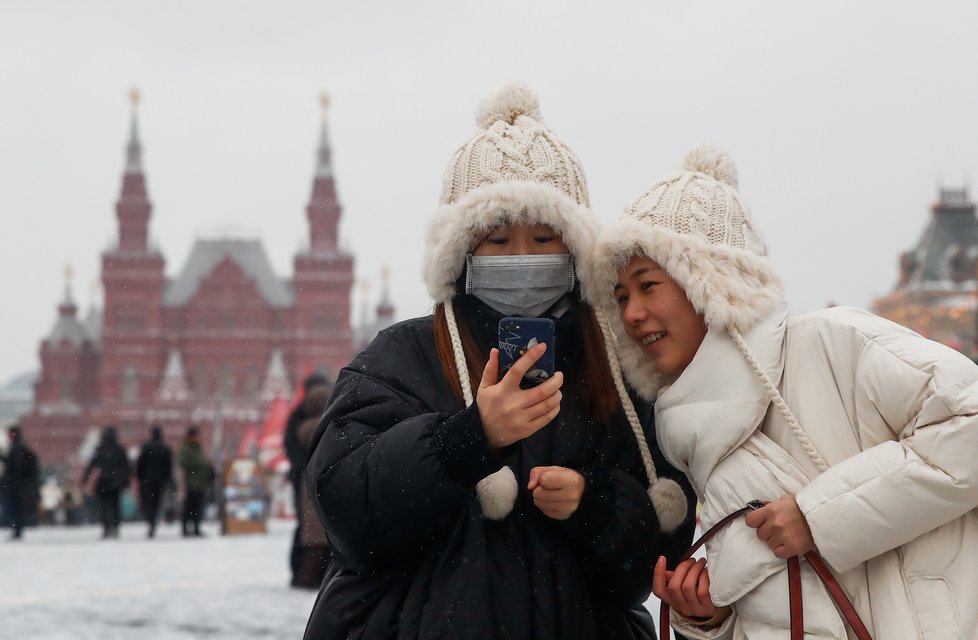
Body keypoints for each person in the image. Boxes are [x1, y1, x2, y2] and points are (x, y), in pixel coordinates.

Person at [302, 85, 696, 640]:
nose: (523, 258)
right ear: (462, 253)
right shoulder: (403, 356)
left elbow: (656, 559)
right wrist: (463, 440)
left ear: (576, 252)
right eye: (498, 240)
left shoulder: (615, 373)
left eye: (543, 238)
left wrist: (595, 503)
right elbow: (345, 512)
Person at [591, 145, 978, 638]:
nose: (631, 313)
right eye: (621, 296)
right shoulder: (685, 430)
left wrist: (819, 517)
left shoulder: (830, 343)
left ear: (712, 282)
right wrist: (710, 617)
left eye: (647, 285)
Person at [284, 372, 332, 585]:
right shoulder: (333, 413)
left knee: (304, 527)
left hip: (303, 478)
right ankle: (326, 573)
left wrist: (302, 465)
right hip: (329, 476)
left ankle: (300, 571)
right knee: (329, 525)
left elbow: (290, 446)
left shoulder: (298, 416)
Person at [82, 426, 131, 539]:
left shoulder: (101, 449)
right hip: (116, 483)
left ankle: (107, 527)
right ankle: (114, 526)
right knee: (115, 505)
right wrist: (125, 481)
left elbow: (92, 464)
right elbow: (126, 467)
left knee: (104, 506)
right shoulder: (119, 449)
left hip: (103, 482)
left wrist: (85, 479)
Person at [0, 426, 40, 540]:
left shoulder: (17, 448)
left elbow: (15, 467)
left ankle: (17, 530)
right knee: (16, 508)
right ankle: (17, 529)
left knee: (15, 508)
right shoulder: (20, 447)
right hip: (19, 485)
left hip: (17, 485)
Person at [136, 425, 173, 538]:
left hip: (147, 480)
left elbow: (140, 463)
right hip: (160, 481)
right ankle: (153, 521)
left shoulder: (146, 447)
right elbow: (168, 466)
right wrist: (167, 479)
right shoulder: (165, 448)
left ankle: (150, 520)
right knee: (156, 502)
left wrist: (140, 476)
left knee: (148, 502)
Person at [179, 425, 213, 537]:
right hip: (192, 483)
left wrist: (209, 471)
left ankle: (196, 528)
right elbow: (184, 461)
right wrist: (198, 464)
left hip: (201, 483)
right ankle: (186, 529)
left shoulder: (197, 448)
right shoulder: (186, 448)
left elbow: (204, 462)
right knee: (190, 507)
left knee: (198, 507)